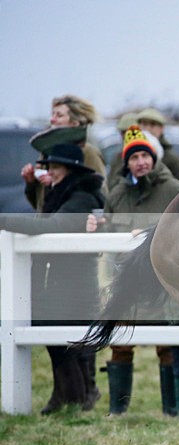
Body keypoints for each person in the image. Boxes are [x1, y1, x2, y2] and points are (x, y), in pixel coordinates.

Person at [89, 125, 179, 415]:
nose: (140, 161)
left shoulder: (176, 191)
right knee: (119, 344)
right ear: (126, 161)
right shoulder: (117, 194)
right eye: (134, 157)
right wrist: (97, 226)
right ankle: (117, 411)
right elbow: (106, 228)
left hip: (162, 280)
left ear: (154, 158)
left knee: (166, 346)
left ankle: (173, 411)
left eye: (145, 155)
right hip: (126, 281)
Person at [0, 144, 104, 414]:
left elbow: (51, 226)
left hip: (75, 284)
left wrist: (4, 221)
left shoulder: (81, 197)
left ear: (70, 170)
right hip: (58, 281)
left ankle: (80, 397)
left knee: (73, 343)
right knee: (57, 342)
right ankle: (66, 397)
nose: (51, 173)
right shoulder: (62, 193)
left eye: (55, 167)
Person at [21, 94, 107, 211]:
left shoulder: (87, 152)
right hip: (46, 226)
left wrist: (61, 185)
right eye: (52, 114)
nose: (52, 119)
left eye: (59, 115)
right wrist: (31, 183)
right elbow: (41, 205)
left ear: (75, 123)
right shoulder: (47, 153)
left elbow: (100, 196)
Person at [136, 107, 179, 183]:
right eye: (144, 124)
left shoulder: (172, 159)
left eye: (152, 125)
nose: (148, 129)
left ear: (161, 128)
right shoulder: (128, 155)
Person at [106, 112, 139, 189]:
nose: (125, 136)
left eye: (130, 132)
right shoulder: (118, 157)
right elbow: (111, 182)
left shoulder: (150, 156)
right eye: (123, 132)